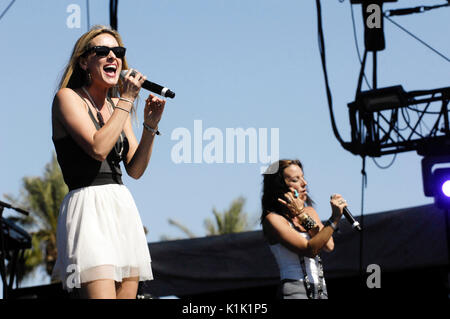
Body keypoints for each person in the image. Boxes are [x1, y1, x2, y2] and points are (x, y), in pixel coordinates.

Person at [51, 25, 166, 299]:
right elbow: (98, 148)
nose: (113, 56)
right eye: (102, 51)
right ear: (84, 61)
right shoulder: (68, 98)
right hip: (88, 206)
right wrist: (127, 98)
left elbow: (135, 170)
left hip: (120, 205)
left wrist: (150, 127)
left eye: (118, 52)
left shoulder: (118, 108)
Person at [261, 159, 346, 299]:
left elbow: (328, 244)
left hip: (320, 290)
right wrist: (335, 218)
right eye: (295, 179)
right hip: (295, 289)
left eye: (303, 177)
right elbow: (310, 250)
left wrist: (302, 215)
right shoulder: (273, 219)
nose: (304, 183)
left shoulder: (309, 211)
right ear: (280, 187)